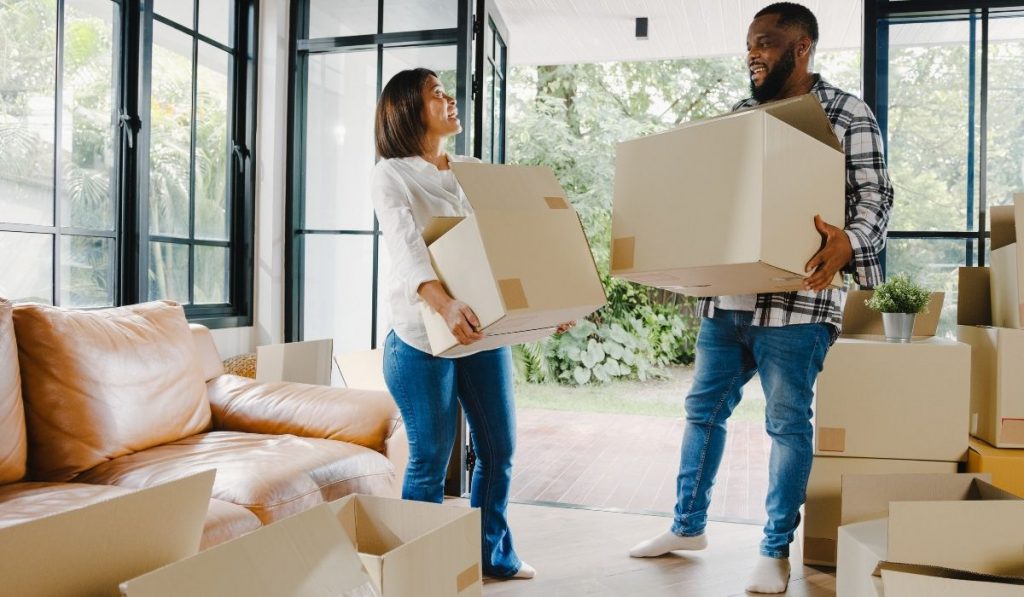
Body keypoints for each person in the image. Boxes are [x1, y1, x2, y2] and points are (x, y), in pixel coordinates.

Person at [628, 3, 893, 594]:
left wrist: (848, 242)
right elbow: (718, 199)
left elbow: (876, 198)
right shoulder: (740, 116)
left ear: (801, 47)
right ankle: (686, 526)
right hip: (728, 302)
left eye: (766, 42)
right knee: (702, 412)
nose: (753, 52)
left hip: (799, 303)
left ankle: (773, 552)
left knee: (786, 424)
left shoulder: (847, 112)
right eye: (750, 43)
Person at [371, 67, 535, 580]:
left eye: (447, 91)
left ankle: (492, 554)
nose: (449, 100)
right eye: (435, 94)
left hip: (481, 332)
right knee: (430, 459)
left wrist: (542, 308)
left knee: (499, 450)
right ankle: (419, 572)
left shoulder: (470, 168)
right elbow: (406, 248)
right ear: (406, 110)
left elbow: (508, 239)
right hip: (422, 340)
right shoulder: (391, 173)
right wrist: (443, 305)